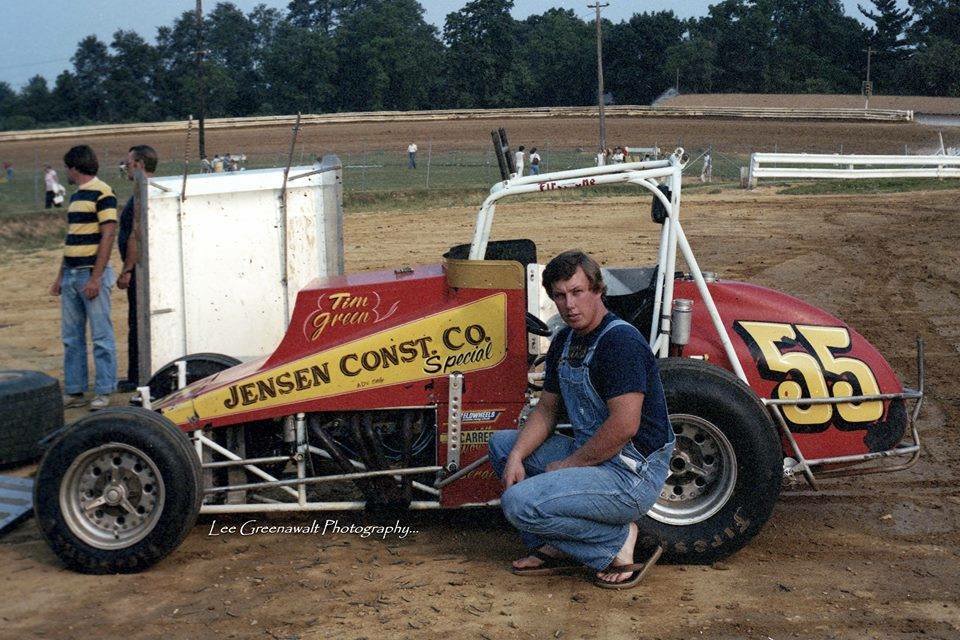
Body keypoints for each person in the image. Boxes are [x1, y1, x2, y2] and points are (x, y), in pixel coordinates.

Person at [488, 250, 675, 589]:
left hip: (630, 474)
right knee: (502, 446)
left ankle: (613, 541)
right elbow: (546, 410)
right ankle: (554, 547)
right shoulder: (564, 340)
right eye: (560, 295)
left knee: (516, 504)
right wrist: (516, 456)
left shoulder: (620, 342)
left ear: (598, 290)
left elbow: (624, 426)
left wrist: (570, 464)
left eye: (577, 292)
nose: (569, 304)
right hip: (592, 459)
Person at [49, 145, 118, 410]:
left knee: (101, 336)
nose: (66, 172)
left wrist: (96, 277)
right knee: (71, 337)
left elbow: (108, 234)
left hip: (90, 274)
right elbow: (72, 238)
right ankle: (75, 391)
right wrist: (59, 277)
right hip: (71, 275)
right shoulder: (76, 196)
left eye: (67, 167)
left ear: (74, 167)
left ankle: (104, 390)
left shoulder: (103, 192)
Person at [116, 145, 157, 392]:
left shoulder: (142, 192)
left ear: (140, 163)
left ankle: (136, 376)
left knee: (137, 323)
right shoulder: (150, 190)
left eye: (129, 162)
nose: (126, 167)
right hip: (143, 270)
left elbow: (135, 235)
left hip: (139, 271)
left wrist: (127, 270)